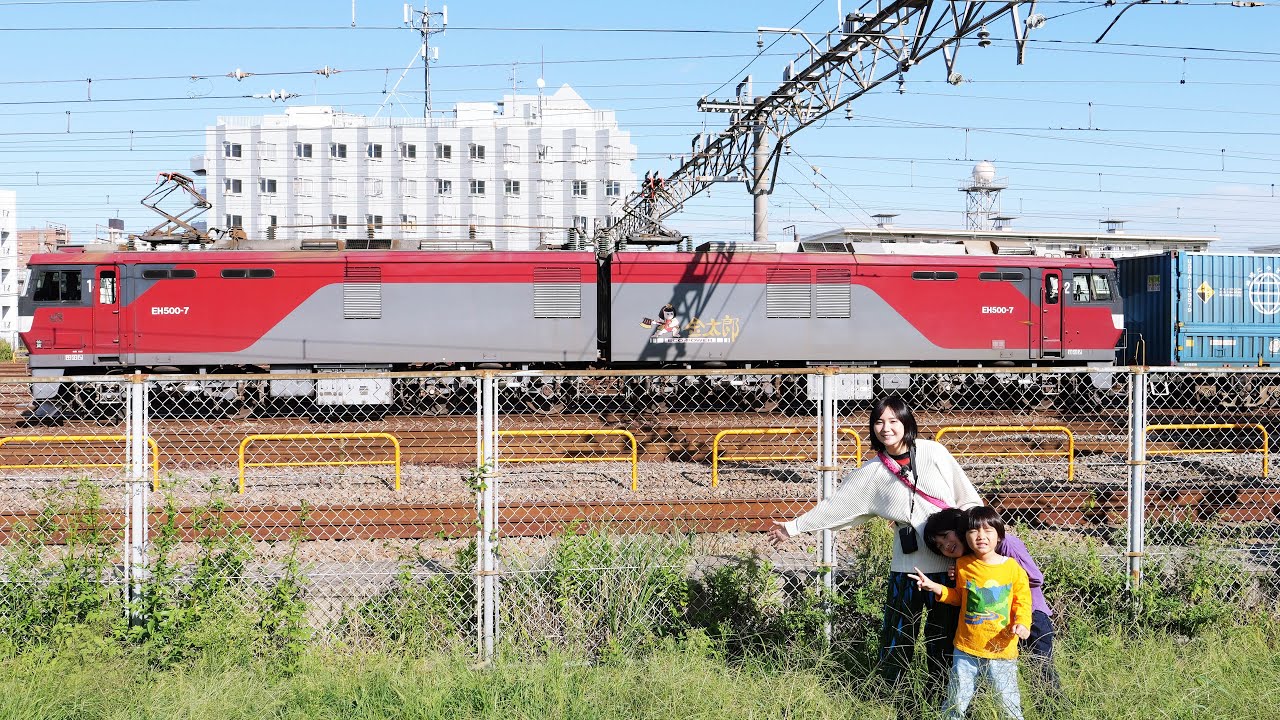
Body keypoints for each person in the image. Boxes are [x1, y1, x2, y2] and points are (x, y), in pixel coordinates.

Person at [767, 395, 982, 711]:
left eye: (894, 420)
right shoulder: (873, 471)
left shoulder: (934, 452)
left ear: (907, 422)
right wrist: (793, 527)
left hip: (949, 569)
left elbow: (968, 499)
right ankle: (903, 708)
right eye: (879, 421)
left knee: (944, 644)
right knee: (897, 645)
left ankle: (944, 707)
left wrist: (972, 545)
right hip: (906, 569)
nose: (886, 428)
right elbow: (837, 507)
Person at [911, 506, 1032, 720]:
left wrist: (1022, 624)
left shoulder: (1012, 568)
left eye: (988, 531)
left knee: (1008, 703)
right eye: (973, 531)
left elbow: (1022, 601)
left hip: (1001, 648)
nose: (981, 536)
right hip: (966, 648)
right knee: (957, 699)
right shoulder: (962, 565)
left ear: (999, 534)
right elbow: (959, 597)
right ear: (965, 536)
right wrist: (936, 587)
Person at [923, 508, 1061, 695]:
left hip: (1029, 613)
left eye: (946, 536)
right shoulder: (967, 562)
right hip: (994, 621)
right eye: (940, 546)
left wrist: (998, 572)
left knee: (1041, 671)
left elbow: (1035, 578)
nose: (946, 545)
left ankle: (1054, 710)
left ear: (961, 529)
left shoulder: (1005, 544)